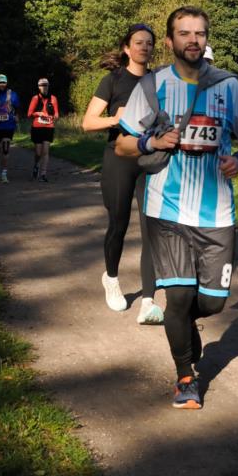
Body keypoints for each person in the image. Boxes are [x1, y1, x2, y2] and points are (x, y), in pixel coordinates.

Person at [116, 6, 238, 408]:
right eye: (184, 33)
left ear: (206, 39)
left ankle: (186, 325)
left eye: (199, 33)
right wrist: (152, 142)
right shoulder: (152, 87)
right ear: (170, 42)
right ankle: (186, 377)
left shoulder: (228, 87)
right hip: (165, 209)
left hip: (216, 213)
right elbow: (122, 144)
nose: (193, 40)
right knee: (178, 298)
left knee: (212, 303)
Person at [82, 24, 163, 325]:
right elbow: (88, 122)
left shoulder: (159, 81)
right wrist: (115, 118)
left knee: (150, 228)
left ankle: (148, 301)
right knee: (119, 223)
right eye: (139, 42)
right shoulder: (113, 80)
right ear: (127, 48)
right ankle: (112, 278)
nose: (145, 47)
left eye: (149, 43)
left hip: (150, 160)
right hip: (118, 157)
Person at [27, 78, 59, 183]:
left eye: (46, 85)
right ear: (39, 87)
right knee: (38, 152)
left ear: (48, 86)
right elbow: (29, 114)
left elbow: (56, 113)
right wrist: (39, 113)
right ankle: (36, 165)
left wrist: (55, 116)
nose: (44, 87)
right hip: (37, 127)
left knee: (46, 151)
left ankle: (43, 174)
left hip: (49, 127)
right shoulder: (35, 98)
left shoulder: (53, 98)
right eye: (42, 85)